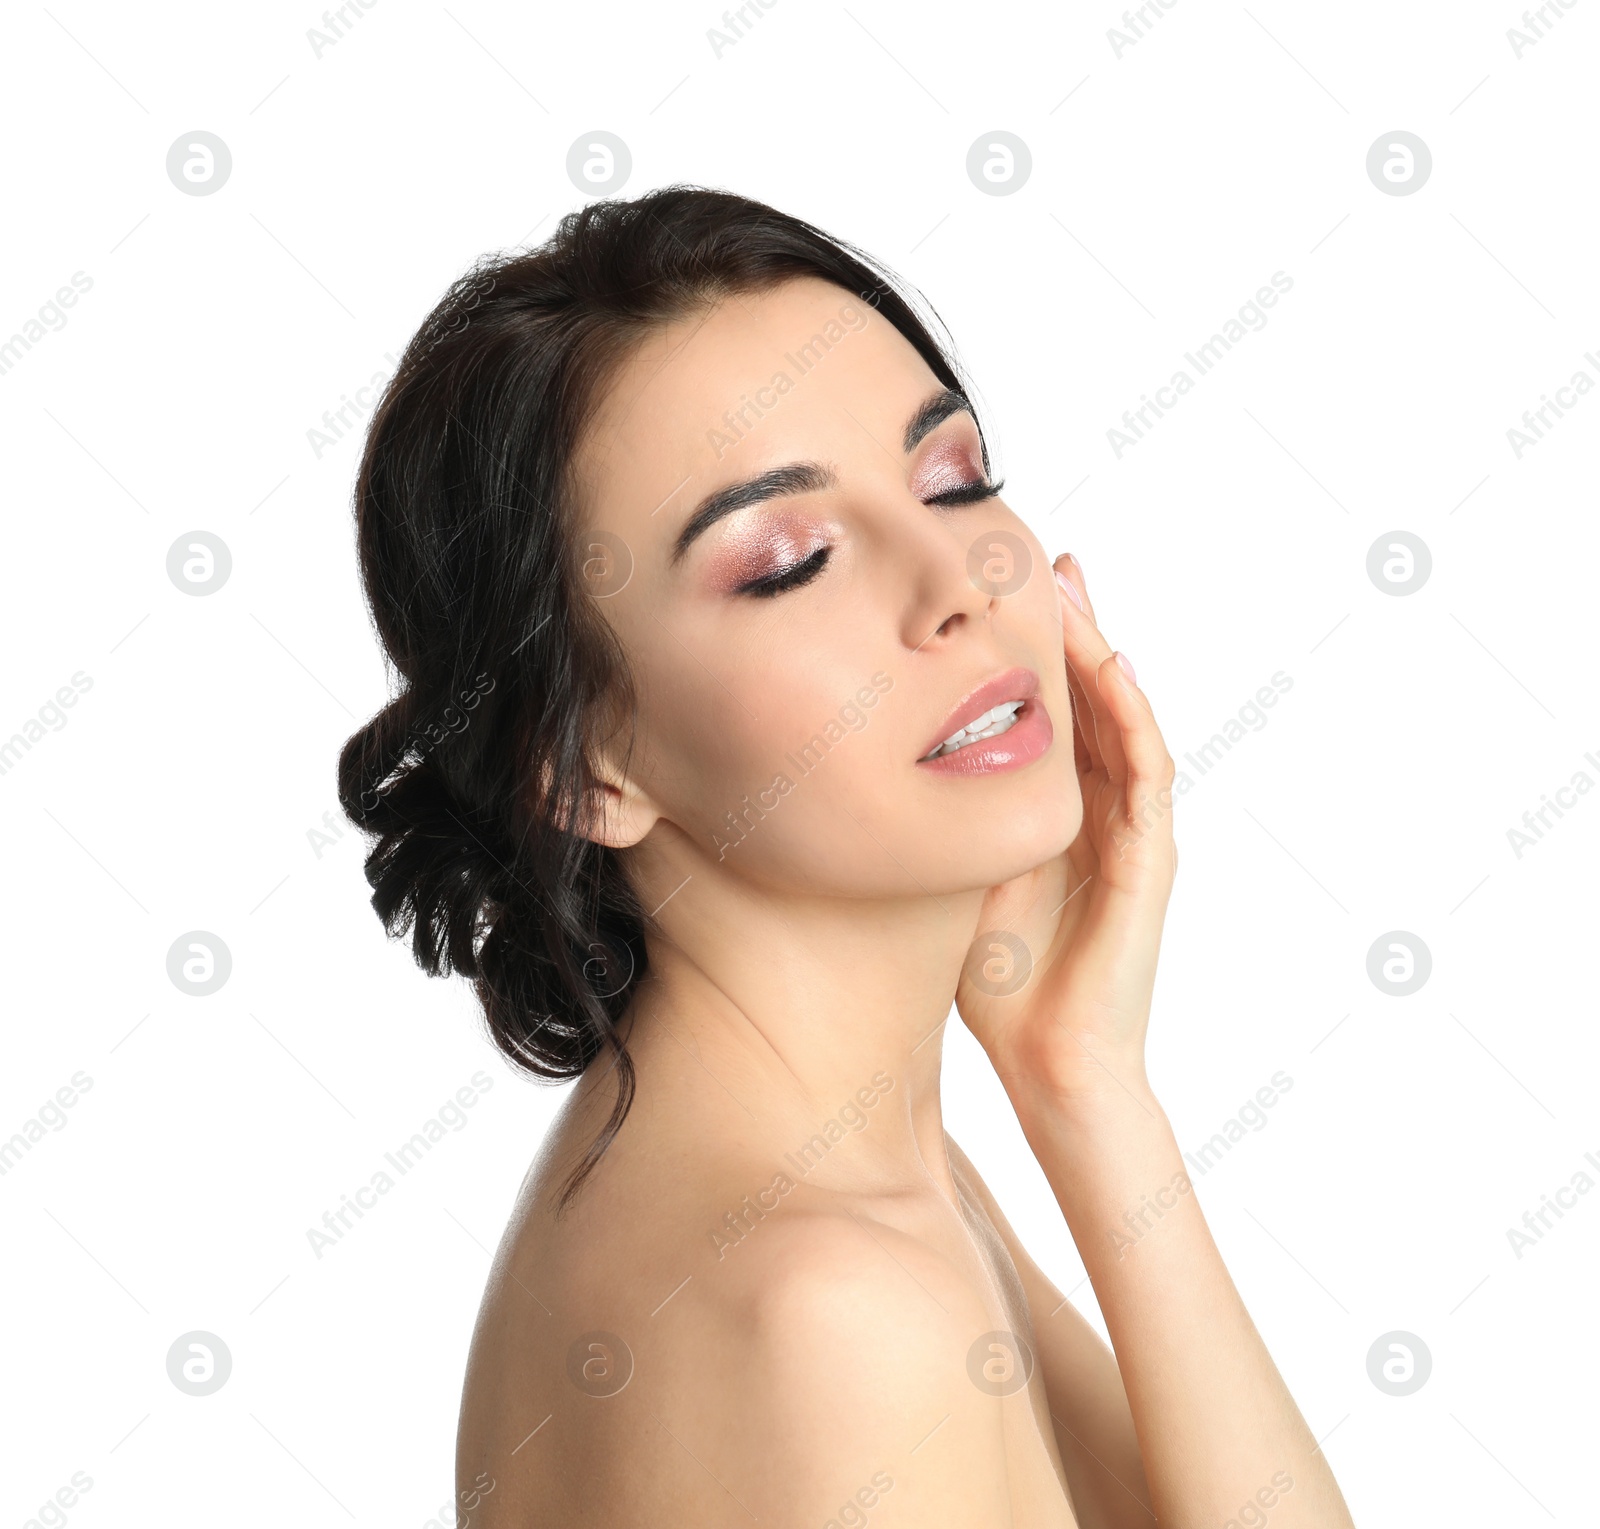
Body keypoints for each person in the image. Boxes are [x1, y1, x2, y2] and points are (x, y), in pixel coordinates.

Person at [338, 185, 1356, 1528]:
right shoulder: (838, 1308)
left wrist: (1087, 1082)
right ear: (586, 767)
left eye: (953, 477)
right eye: (790, 560)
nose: (957, 583)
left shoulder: (816, 1164)